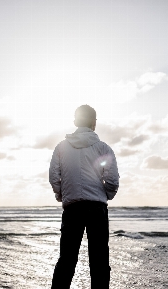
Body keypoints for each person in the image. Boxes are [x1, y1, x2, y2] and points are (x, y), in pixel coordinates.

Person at [49, 105, 120, 289]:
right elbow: (112, 181)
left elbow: (53, 176)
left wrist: (62, 194)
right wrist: (105, 194)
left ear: (75, 122)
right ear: (93, 123)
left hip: (72, 208)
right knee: (99, 263)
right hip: (96, 208)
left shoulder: (61, 147)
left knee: (66, 261)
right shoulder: (103, 148)